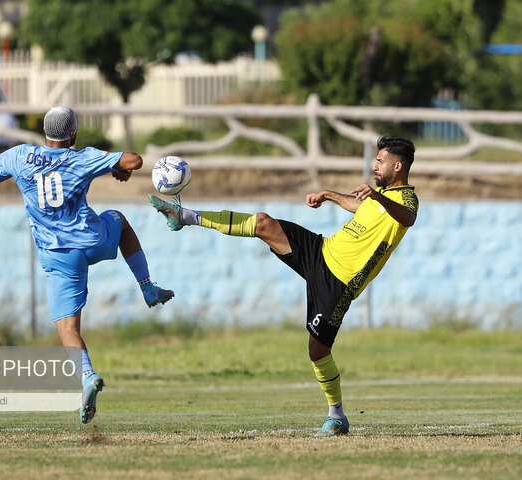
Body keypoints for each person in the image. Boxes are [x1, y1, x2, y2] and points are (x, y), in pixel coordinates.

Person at [149, 136, 418, 436]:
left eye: (380, 161)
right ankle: (184, 216)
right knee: (264, 223)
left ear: (398, 166)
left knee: (317, 350)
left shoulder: (406, 199)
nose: (374, 166)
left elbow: (406, 217)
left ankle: (337, 415)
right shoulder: (378, 199)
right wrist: (329, 195)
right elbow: (363, 209)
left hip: (339, 282)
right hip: (322, 250)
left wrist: (377, 197)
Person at [0, 106, 174, 424]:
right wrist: (117, 168)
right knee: (120, 221)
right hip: (91, 240)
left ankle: (87, 378)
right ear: (72, 133)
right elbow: (135, 160)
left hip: (58, 256)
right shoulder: (81, 158)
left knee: (68, 330)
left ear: (44, 132)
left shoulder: (19, 156)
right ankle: (147, 287)